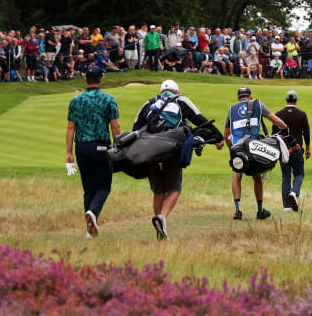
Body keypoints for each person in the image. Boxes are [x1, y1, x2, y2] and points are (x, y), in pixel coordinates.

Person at [132, 79, 221, 240]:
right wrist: (218, 137)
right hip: (171, 150)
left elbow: (136, 128)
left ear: (161, 92)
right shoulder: (181, 100)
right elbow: (200, 119)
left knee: (158, 191)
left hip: (151, 153)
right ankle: (162, 218)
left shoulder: (150, 103)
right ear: (176, 91)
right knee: (174, 189)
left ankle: (159, 224)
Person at [66, 65, 121, 238]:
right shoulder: (108, 99)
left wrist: (69, 153)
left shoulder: (75, 101)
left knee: (89, 189)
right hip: (101, 147)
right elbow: (115, 125)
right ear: (101, 80)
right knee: (103, 187)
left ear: (86, 80)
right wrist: (120, 146)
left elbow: (70, 127)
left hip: (81, 147)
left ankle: (90, 230)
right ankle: (93, 214)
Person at [224, 86, 288, 220]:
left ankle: (238, 210)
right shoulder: (257, 104)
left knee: (236, 176)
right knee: (257, 176)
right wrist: (285, 127)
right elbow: (275, 120)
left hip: (237, 147)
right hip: (253, 146)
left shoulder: (231, 109)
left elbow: (226, 135)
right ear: (250, 96)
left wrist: (232, 148)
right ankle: (259, 211)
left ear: (238, 98)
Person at [271, 90, 311, 212]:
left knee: (286, 176)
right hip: (296, 150)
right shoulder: (302, 114)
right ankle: (294, 192)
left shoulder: (278, 114)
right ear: (296, 100)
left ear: (286, 100)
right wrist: (308, 149)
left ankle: (287, 207)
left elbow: (274, 135)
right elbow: (306, 133)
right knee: (299, 174)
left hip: (283, 151)